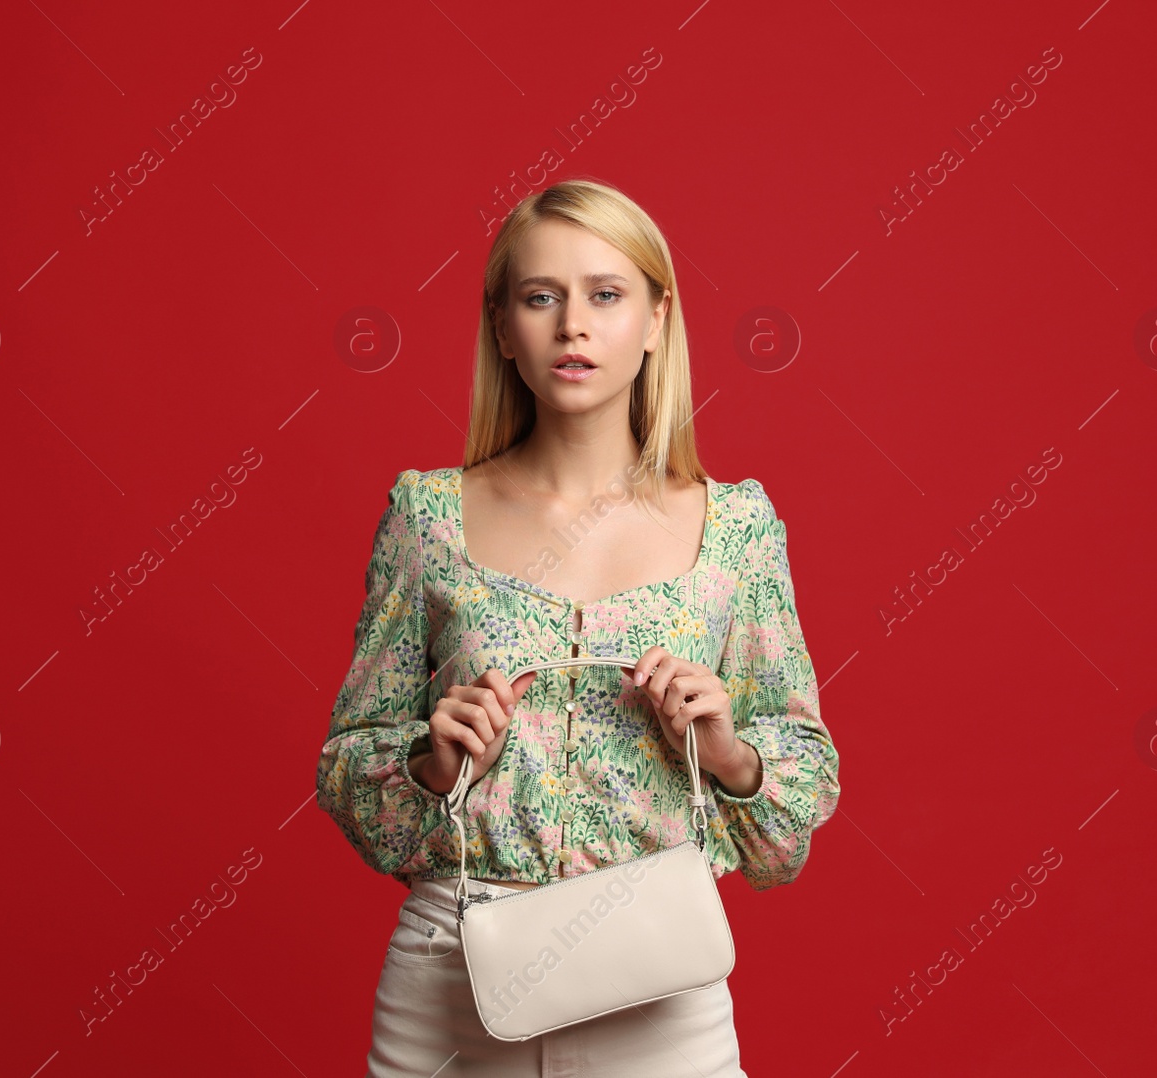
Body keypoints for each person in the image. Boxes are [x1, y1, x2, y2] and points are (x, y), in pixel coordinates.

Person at [316, 178, 841, 1076]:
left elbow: (794, 809)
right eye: (540, 297)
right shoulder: (428, 518)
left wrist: (726, 755)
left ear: (656, 320)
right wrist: (428, 761)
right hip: (454, 982)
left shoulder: (738, 528)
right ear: (501, 326)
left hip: (658, 988)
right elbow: (345, 772)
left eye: (605, 294)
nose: (573, 326)